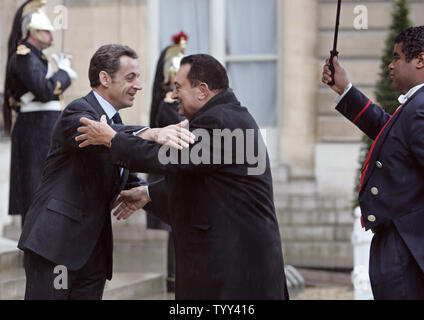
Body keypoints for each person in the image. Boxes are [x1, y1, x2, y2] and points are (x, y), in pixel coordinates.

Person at [76, 54, 289, 300]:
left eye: (178, 87)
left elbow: (168, 158)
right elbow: (203, 185)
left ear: (202, 91)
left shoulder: (220, 121)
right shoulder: (228, 116)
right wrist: (147, 194)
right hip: (233, 268)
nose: (172, 94)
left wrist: (112, 139)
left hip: (235, 274)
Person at [17, 44, 194, 300]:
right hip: (55, 248)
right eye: (130, 77)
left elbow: (127, 167)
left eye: (139, 77)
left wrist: (145, 193)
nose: (139, 85)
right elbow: (105, 137)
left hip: (92, 255)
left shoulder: (115, 124)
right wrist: (150, 132)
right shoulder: (78, 112)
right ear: (104, 78)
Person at [322, 26, 424, 299]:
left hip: (407, 245)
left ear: (420, 60)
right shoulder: (415, 105)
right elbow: (388, 130)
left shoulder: (420, 107)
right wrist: (345, 90)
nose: (390, 65)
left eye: (397, 57)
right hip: (399, 241)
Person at [2, 0, 78, 227]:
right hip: (35, 130)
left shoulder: (35, 57)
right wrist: (63, 75)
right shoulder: (25, 56)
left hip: (44, 127)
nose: (51, 36)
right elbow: (44, 91)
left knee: (48, 189)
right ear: (32, 32)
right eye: (46, 31)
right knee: (36, 191)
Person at [147, 31, 187, 293]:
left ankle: (176, 279)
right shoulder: (168, 104)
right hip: (170, 169)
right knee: (175, 229)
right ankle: (174, 280)